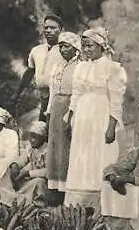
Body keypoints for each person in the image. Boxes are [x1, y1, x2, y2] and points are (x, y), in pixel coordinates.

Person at [63, 27, 127, 212]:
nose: (86, 49)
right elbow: (76, 94)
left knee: (99, 154)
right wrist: (70, 119)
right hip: (82, 116)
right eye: (84, 46)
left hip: (100, 114)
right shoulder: (81, 67)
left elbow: (116, 100)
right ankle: (78, 204)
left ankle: (100, 204)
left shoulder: (113, 68)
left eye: (90, 45)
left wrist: (111, 126)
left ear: (101, 46)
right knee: (81, 155)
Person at [43, 32, 81, 204]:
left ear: (76, 48)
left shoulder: (81, 66)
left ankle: (67, 190)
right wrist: (49, 112)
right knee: (55, 146)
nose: (63, 50)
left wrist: (73, 116)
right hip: (56, 108)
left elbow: (79, 93)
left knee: (67, 147)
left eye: (67, 46)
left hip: (71, 107)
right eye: (61, 46)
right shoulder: (57, 66)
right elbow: (52, 91)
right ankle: (54, 189)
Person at [12, 14, 65, 122]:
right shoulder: (36, 50)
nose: (48, 31)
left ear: (60, 30)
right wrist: (18, 93)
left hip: (60, 98)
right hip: (44, 98)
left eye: (53, 28)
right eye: (46, 28)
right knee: (41, 129)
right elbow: (30, 72)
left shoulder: (66, 50)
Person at [9, 121, 51, 206]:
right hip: (31, 179)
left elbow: (49, 171)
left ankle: (39, 203)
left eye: (35, 137)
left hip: (45, 182)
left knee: (39, 182)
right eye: (30, 137)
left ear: (43, 138)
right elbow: (23, 159)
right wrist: (15, 165)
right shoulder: (31, 148)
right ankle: (21, 199)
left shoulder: (48, 150)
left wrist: (28, 173)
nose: (31, 140)